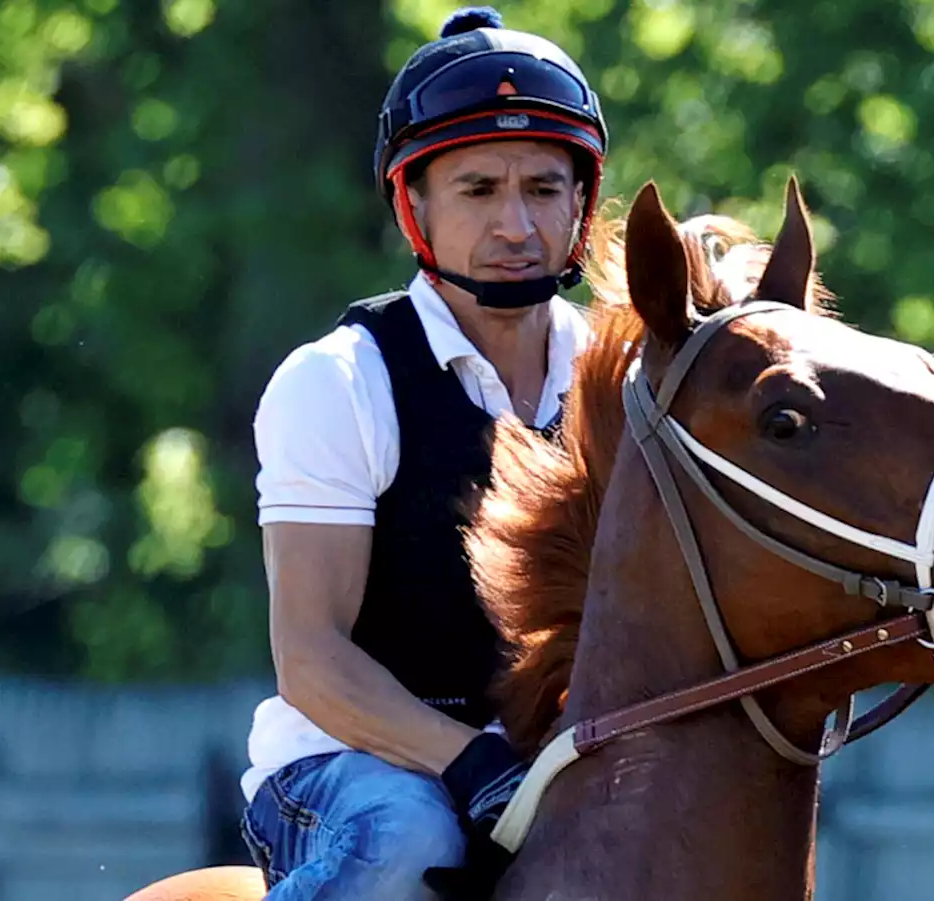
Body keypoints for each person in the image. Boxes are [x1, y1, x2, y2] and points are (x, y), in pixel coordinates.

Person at [235, 6, 608, 899]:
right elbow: (312, 660)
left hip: (548, 763)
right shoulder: (338, 382)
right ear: (417, 207)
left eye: (545, 188)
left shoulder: (621, 383)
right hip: (342, 770)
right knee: (411, 837)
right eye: (478, 190)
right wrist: (475, 763)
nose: (518, 224)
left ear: (581, 204)